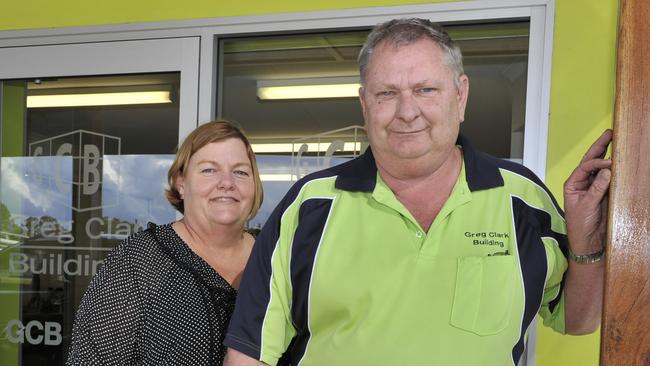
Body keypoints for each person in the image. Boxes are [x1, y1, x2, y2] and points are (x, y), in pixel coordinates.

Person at [222, 18, 611, 366]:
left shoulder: (525, 200)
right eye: (387, 94)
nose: (407, 111)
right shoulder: (308, 206)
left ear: (460, 96)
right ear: (365, 104)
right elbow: (249, 354)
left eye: (425, 89)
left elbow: (577, 319)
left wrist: (587, 240)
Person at [67, 120, 263, 365]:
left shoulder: (275, 257)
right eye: (209, 170)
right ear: (181, 182)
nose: (227, 182)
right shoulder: (138, 261)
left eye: (241, 172)